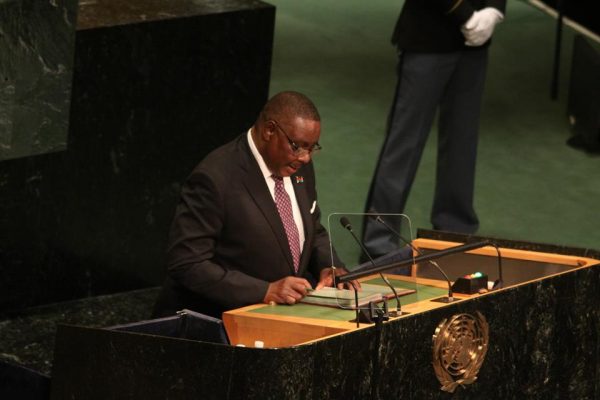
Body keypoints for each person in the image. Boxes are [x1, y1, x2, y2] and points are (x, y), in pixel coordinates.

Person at [153, 91, 356, 319]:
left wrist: (328, 266)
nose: (306, 158)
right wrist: (265, 291)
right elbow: (187, 263)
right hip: (220, 324)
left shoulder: (297, 165)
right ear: (269, 130)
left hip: (281, 318)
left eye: (312, 148)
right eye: (298, 146)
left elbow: (312, 227)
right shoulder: (215, 178)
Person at [362, 0, 506, 258]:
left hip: (475, 43)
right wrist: (465, 14)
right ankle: (378, 245)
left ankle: (455, 235)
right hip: (427, 37)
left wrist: (495, 9)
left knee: (462, 144)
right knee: (403, 146)